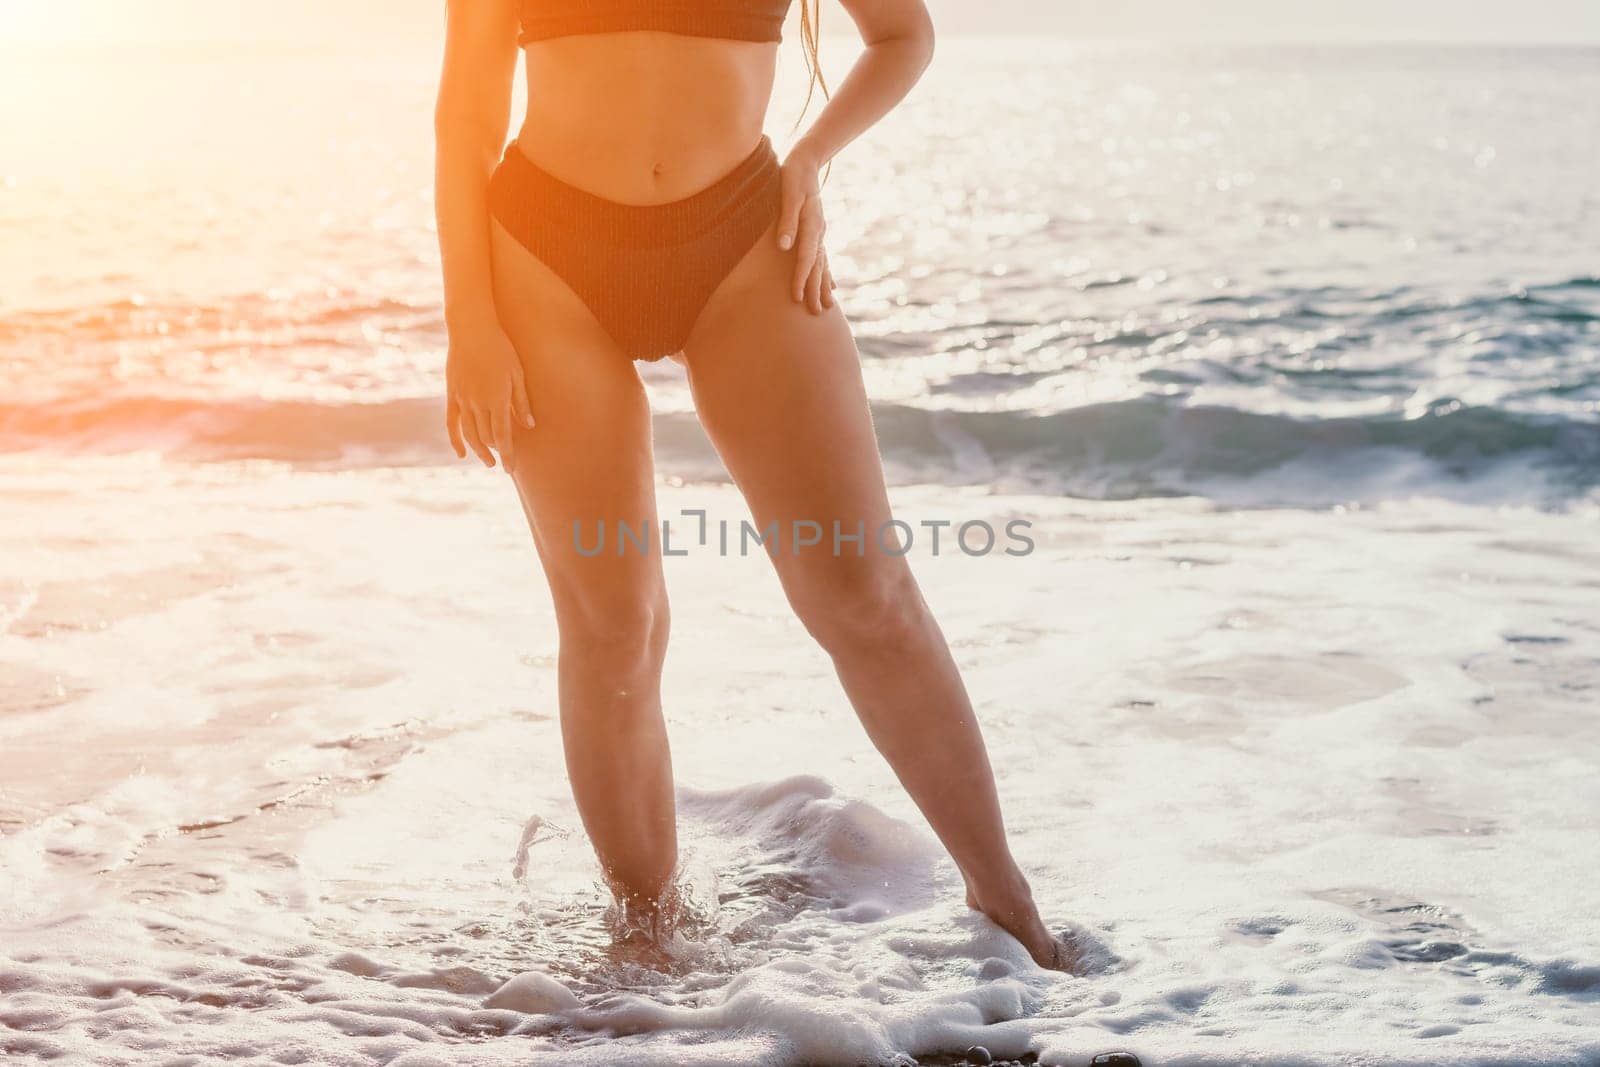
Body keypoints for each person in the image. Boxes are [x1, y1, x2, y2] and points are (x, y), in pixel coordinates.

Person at [433, 0, 1067, 969]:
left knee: (868, 594)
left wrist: (810, 158)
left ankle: (1006, 898)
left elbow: (904, 34)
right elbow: (467, 112)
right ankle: (649, 940)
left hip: (739, 234)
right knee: (615, 628)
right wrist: (469, 323)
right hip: (543, 254)